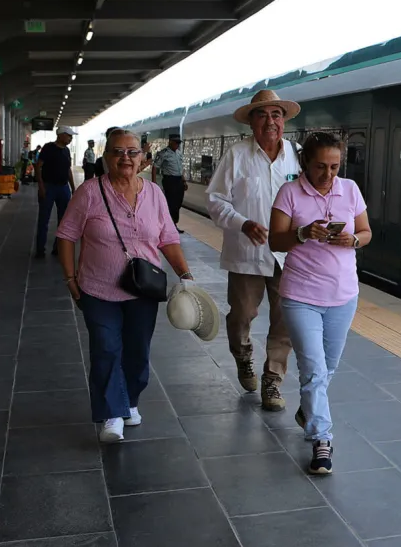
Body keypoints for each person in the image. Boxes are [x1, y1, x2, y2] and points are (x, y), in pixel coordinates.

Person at [56, 129, 194, 443]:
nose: (126, 158)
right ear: (106, 158)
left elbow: (168, 239)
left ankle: (129, 401)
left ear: (143, 158)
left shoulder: (155, 194)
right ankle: (112, 415)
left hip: (143, 291)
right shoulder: (90, 192)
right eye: (118, 152)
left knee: (137, 353)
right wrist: (69, 278)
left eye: (132, 152)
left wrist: (185, 275)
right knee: (106, 348)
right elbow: (66, 235)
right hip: (97, 288)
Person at [269, 132, 371, 474]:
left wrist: (353, 239)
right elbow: (275, 239)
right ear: (305, 164)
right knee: (313, 371)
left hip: (344, 295)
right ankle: (321, 440)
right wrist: (301, 234)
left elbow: (367, 231)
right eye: (320, 167)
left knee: (327, 369)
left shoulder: (351, 190)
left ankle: (309, 411)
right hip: (300, 296)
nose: (328, 175)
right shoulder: (289, 193)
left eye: (334, 166)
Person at [206, 89, 303, 412]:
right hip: (247, 252)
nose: (270, 121)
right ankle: (243, 355)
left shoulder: (298, 156)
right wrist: (242, 223)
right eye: (262, 115)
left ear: (284, 122)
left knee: (285, 320)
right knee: (241, 316)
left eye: (276, 115)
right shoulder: (236, 155)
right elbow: (215, 201)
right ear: (251, 123)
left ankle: (272, 380)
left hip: (289, 254)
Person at [35, 126, 76, 258]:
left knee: (63, 220)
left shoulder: (67, 151)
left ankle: (57, 248)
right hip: (49, 187)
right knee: (44, 219)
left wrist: (73, 187)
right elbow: (38, 166)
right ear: (61, 135)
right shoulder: (48, 148)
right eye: (69, 136)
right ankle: (40, 249)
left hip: (63, 188)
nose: (71, 138)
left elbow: (68, 170)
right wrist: (41, 186)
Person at [152, 133, 187, 233]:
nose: (177, 145)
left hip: (179, 180)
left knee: (178, 203)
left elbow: (180, 169)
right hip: (169, 180)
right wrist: (154, 183)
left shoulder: (179, 153)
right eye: (176, 143)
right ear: (170, 142)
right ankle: (169, 226)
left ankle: (174, 223)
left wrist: (184, 181)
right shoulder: (163, 153)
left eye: (179, 143)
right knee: (170, 203)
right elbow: (155, 167)